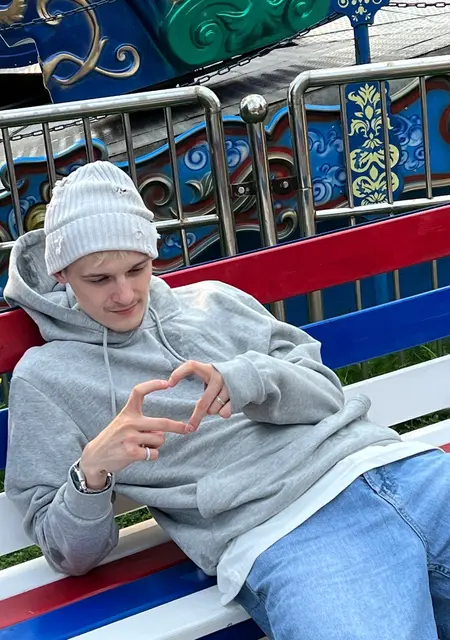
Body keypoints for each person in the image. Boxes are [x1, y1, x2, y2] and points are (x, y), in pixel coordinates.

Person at [4, 161, 450, 640]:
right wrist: (91, 474)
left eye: (137, 269)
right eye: (99, 279)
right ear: (61, 273)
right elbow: (68, 552)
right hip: (285, 531)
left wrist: (252, 379)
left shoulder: (214, 300)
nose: (125, 294)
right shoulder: (46, 377)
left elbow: (327, 394)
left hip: (394, 470)